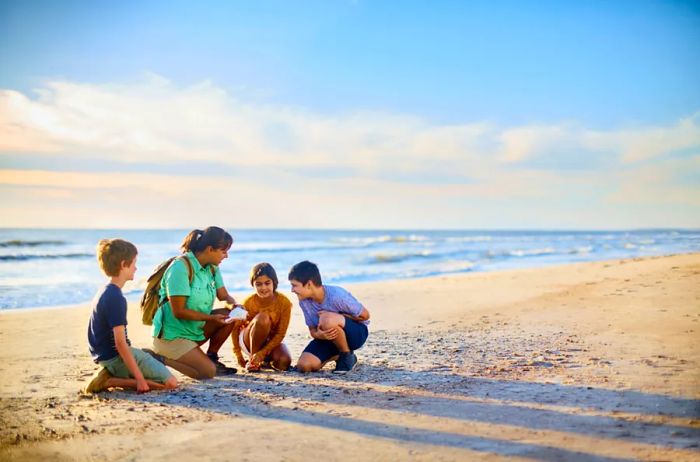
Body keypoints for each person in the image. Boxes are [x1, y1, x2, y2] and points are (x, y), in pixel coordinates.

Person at [85, 239, 178, 394]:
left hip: (105, 357)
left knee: (152, 363)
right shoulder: (116, 297)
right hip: (115, 358)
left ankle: (112, 372)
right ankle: (109, 380)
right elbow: (120, 343)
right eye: (134, 262)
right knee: (171, 383)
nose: (136, 267)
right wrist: (140, 379)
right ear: (123, 264)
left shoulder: (105, 291)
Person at [150, 227, 239, 379]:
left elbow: (224, 296)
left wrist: (235, 307)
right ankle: (159, 358)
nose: (226, 256)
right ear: (210, 249)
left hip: (194, 331)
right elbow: (179, 311)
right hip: (172, 337)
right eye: (223, 251)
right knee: (207, 372)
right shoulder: (180, 267)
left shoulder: (212, 268)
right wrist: (211, 318)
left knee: (230, 316)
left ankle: (211, 357)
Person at [288, 261, 370, 374]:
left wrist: (339, 317)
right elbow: (312, 330)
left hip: (356, 334)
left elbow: (365, 316)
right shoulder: (304, 301)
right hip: (329, 338)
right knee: (304, 366)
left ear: (309, 284)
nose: (292, 290)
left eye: (294, 285)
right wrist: (319, 335)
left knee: (327, 319)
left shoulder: (337, 296)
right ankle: (337, 355)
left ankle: (347, 356)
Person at [232, 263, 292, 372]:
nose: (263, 288)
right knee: (263, 317)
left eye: (267, 283)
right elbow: (235, 328)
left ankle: (263, 360)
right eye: (258, 284)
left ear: (274, 282)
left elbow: (280, 333)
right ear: (253, 285)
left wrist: (262, 353)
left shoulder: (284, 303)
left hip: (270, 340)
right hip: (249, 339)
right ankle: (253, 361)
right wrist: (238, 355)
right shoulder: (249, 302)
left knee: (283, 362)